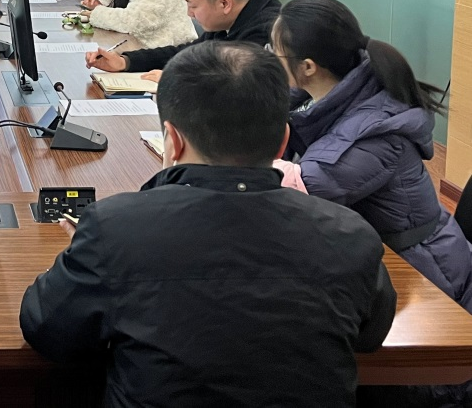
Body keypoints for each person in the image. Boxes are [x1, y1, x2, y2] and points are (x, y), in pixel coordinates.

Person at [20, 41, 396, 408]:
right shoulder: (351, 234)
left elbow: (47, 330)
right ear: (283, 141)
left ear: (172, 140)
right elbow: (369, 336)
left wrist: (83, 253)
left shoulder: (115, 229)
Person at [271, 0, 472, 313]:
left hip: (425, 275)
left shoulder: (373, 135)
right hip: (378, 249)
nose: (271, 58)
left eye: (275, 51)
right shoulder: (344, 85)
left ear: (308, 67)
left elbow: (294, 188)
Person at [85, 0, 280, 80]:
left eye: (192, 5)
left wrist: (176, 79)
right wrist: (125, 61)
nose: (189, 13)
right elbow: (188, 54)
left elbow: (231, 84)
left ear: (224, 3)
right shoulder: (228, 20)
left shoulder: (268, 31)